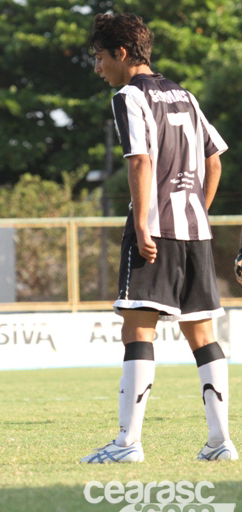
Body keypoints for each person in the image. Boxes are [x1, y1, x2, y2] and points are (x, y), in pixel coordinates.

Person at [81, 13, 236, 463]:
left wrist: (145, 224)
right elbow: (215, 161)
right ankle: (220, 441)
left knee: (137, 328)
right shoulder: (185, 95)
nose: (98, 68)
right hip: (195, 231)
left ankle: (127, 443)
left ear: (121, 53)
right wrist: (197, 214)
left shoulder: (128, 95)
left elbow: (140, 161)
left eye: (100, 57)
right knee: (202, 332)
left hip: (156, 230)